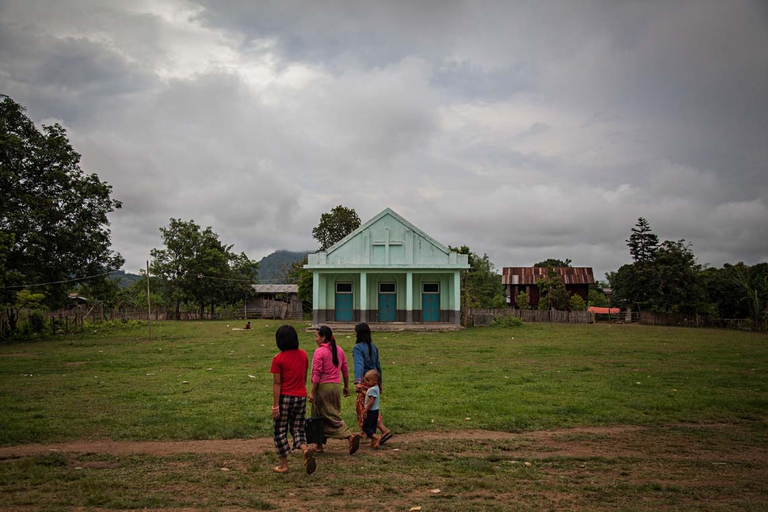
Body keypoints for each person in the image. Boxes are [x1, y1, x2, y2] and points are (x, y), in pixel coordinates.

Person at [270, 325, 316, 474]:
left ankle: (283, 465)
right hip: (300, 397)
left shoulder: (278, 359)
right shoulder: (303, 355)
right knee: (298, 428)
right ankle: (305, 450)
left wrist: (275, 406)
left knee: (280, 430)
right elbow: (303, 377)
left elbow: (277, 383)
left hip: (285, 398)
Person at [309, 325, 361, 455]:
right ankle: (319, 445)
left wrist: (312, 392)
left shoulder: (319, 352)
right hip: (336, 387)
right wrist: (346, 386)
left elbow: (317, 374)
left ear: (323, 337)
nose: (315, 339)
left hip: (323, 388)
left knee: (321, 416)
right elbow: (345, 369)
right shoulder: (339, 350)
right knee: (329, 414)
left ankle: (349, 436)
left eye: (316, 336)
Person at [353, 322, 393, 444]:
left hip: (366, 382)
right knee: (372, 406)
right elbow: (378, 366)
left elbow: (359, 365)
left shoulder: (358, 348)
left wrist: (358, 382)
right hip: (374, 381)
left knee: (364, 407)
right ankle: (370, 431)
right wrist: (379, 382)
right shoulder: (373, 347)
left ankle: (379, 430)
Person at [359, 369, 382, 449]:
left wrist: (365, 410)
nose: (366, 382)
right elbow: (369, 395)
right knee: (373, 427)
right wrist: (363, 392)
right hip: (376, 411)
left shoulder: (372, 389)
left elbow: (371, 401)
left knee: (366, 427)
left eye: (368, 380)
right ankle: (373, 444)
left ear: (375, 380)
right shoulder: (376, 388)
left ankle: (377, 438)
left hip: (371, 411)